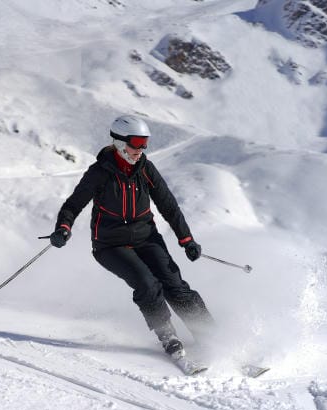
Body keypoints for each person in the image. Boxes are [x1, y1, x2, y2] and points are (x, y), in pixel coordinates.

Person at [49, 114, 214, 358]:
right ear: (119, 142)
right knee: (147, 283)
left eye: (145, 142)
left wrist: (186, 239)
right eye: (136, 142)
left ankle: (210, 336)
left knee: (175, 286)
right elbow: (73, 205)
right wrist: (64, 227)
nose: (141, 149)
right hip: (110, 244)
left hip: (146, 238)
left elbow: (169, 206)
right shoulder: (99, 172)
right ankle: (167, 335)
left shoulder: (145, 169)